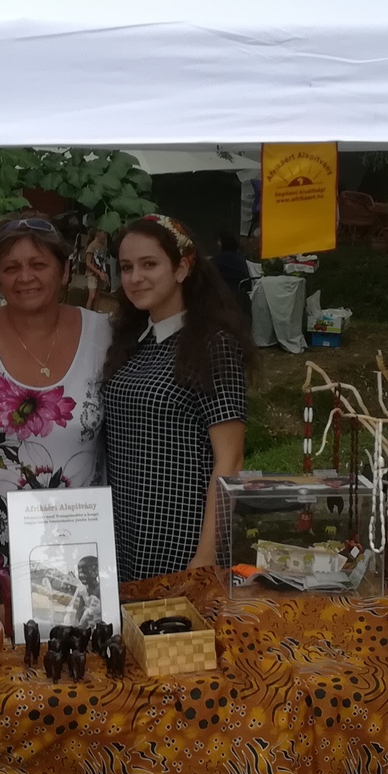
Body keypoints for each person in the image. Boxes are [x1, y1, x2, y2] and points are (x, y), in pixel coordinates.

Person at [0, 213, 110, 569]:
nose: (25, 277)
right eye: (11, 268)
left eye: (39, 265)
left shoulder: (105, 337)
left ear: (64, 271)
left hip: (80, 549)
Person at [100, 214, 251, 581]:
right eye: (126, 267)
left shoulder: (212, 345)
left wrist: (205, 557)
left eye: (149, 264)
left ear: (182, 268)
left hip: (182, 543)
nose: (135, 278)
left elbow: (230, 460)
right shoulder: (131, 342)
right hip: (125, 538)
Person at [212, 232, 253, 317]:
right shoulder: (240, 257)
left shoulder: (219, 258)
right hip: (243, 297)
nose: (217, 243)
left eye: (219, 241)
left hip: (225, 298)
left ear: (223, 243)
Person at [81, 227, 113, 311]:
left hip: (101, 273)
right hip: (92, 274)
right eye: (103, 232)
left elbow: (104, 262)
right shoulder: (92, 246)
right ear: (97, 233)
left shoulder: (104, 247)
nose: (104, 234)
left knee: (98, 296)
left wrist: (105, 274)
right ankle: (87, 312)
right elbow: (88, 263)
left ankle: (95, 313)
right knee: (92, 295)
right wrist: (98, 272)